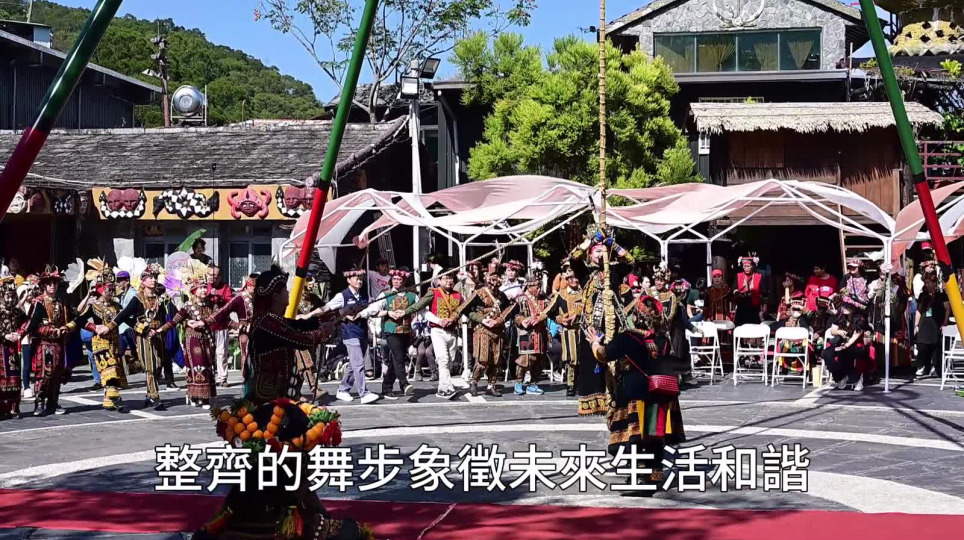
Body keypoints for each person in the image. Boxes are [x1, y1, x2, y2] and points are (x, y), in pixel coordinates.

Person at [191, 265, 372, 540]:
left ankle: (284, 513)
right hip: (269, 408)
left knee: (275, 464)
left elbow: (302, 324)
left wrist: (338, 314)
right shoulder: (267, 323)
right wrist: (326, 329)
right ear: (275, 295)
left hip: (274, 405)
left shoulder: (271, 320)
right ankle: (295, 519)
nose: (289, 296)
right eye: (285, 291)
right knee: (281, 462)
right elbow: (304, 337)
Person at [589, 295, 686, 494]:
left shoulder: (628, 337)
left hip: (635, 393)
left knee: (634, 440)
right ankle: (654, 477)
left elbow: (604, 354)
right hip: (659, 394)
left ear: (636, 316)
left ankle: (638, 479)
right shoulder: (663, 339)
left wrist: (594, 343)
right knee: (655, 439)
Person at [570, 229, 634, 416]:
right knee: (591, 362)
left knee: (614, 361)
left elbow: (630, 261)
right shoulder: (585, 273)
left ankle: (615, 398)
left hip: (613, 325)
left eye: (602, 251)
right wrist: (591, 241)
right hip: (592, 327)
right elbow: (573, 258)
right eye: (596, 251)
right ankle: (594, 402)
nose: (600, 254)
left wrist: (613, 245)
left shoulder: (614, 271)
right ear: (590, 254)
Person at [99, 265, 169, 411]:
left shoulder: (160, 298)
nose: (153, 280)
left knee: (158, 365)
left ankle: (149, 394)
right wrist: (111, 327)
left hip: (159, 335)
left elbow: (164, 317)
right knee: (150, 367)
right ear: (143, 281)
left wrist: (163, 330)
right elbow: (123, 315)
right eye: (150, 278)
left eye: (155, 277)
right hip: (145, 337)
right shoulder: (138, 299)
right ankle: (154, 397)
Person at [23, 266, 78, 416]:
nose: (52, 286)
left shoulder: (62, 302)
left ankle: (53, 402)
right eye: (49, 283)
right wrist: (51, 331)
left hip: (59, 344)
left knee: (57, 374)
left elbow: (74, 317)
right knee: (44, 374)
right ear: (44, 286)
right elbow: (32, 325)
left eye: (54, 283)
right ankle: (40, 402)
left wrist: (67, 328)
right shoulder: (39, 302)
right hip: (44, 344)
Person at [75, 259, 129, 413]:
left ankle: (108, 401)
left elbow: (125, 319)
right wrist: (94, 327)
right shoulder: (94, 306)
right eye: (108, 289)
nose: (111, 292)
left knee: (114, 371)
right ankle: (114, 398)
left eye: (112, 289)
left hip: (115, 341)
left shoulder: (117, 306)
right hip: (100, 343)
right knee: (110, 369)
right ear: (101, 289)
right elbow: (79, 319)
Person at [322, 266, 379, 404]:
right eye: (356, 278)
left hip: (362, 332)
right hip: (349, 333)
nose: (359, 281)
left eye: (361, 279)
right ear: (349, 280)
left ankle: (343, 389)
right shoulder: (342, 296)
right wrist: (343, 314)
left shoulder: (365, 295)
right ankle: (364, 393)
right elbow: (329, 308)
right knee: (358, 363)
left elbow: (374, 308)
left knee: (354, 364)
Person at [404, 269, 463, 399]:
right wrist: (404, 312)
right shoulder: (433, 292)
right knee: (443, 360)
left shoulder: (458, 295)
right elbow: (419, 306)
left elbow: (464, 309)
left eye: (451, 278)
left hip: (452, 332)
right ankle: (446, 388)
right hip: (437, 331)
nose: (449, 281)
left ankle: (442, 388)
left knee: (450, 362)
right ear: (439, 280)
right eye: (446, 278)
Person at [158, 283, 218, 409]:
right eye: (200, 288)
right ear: (194, 291)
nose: (203, 290)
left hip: (207, 339)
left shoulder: (211, 305)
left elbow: (219, 317)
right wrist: (161, 329)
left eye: (204, 287)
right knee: (197, 366)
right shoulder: (188, 306)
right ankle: (196, 396)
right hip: (193, 339)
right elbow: (175, 320)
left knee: (208, 365)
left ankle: (203, 396)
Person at [361, 267, 417, 399]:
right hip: (391, 331)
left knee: (396, 360)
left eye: (399, 279)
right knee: (399, 357)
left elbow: (421, 310)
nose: (396, 281)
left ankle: (386, 387)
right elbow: (374, 309)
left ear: (404, 281)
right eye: (394, 279)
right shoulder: (386, 295)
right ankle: (404, 384)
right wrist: (363, 313)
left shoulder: (412, 296)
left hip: (406, 331)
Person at [460, 264, 511, 397]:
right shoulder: (478, 293)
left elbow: (508, 310)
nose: (494, 285)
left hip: (498, 331)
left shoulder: (502, 296)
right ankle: (474, 382)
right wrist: (481, 320)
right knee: (483, 360)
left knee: (496, 361)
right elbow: (465, 309)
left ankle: (491, 385)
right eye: (492, 281)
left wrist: (499, 320)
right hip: (482, 330)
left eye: (497, 280)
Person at [201, 274, 256, 391]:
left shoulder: (260, 298)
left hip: (257, 330)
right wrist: (205, 321)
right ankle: (246, 382)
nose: (255, 289)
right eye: (253, 287)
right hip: (243, 331)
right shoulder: (240, 298)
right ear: (248, 286)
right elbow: (224, 310)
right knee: (245, 355)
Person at [543, 266, 585, 397]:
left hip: (583, 330)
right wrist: (561, 320)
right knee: (572, 358)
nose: (574, 280)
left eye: (576, 278)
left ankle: (581, 383)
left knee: (583, 357)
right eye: (571, 278)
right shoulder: (561, 295)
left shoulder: (584, 293)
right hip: (569, 331)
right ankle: (570, 384)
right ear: (567, 279)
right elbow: (550, 312)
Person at [509, 274, 549, 395]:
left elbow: (550, 311)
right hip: (526, 333)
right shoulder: (521, 299)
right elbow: (514, 315)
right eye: (536, 286)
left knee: (538, 359)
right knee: (525, 360)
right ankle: (519, 382)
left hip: (540, 333)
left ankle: (533, 383)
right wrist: (522, 320)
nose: (538, 289)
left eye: (539, 286)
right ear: (529, 287)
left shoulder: (544, 299)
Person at [821, 296, 871, 391]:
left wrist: (846, 346)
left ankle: (856, 378)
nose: (844, 309)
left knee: (845, 353)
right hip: (841, 344)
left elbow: (855, 336)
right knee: (826, 353)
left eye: (848, 307)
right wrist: (839, 332)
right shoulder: (840, 316)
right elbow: (832, 331)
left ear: (853, 308)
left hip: (856, 346)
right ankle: (840, 377)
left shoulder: (860, 319)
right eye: (844, 306)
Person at [199, 265, 233, 387]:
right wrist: (208, 295)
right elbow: (196, 298)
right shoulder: (203, 286)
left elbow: (230, 303)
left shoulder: (225, 287)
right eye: (209, 275)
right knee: (206, 352)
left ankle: (222, 378)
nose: (211, 277)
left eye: (214, 275)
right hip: (206, 325)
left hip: (221, 324)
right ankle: (208, 376)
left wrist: (218, 297)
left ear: (219, 277)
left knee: (221, 352)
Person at [914, 270, 949, 379]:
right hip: (924, 322)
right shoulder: (923, 295)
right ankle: (921, 365)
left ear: (934, 283)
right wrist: (916, 325)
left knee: (935, 345)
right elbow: (919, 310)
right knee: (922, 345)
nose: (927, 284)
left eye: (928, 282)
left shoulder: (941, 295)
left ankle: (935, 366)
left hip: (936, 322)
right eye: (925, 282)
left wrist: (945, 322)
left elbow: (947, 308)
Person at [0, 277, 24, 420]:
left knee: (14, 378)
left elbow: (26, 323)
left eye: (12, 296)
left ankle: (14, 408)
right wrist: (4, 335)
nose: (9, 300)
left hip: (12, 349)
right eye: (7, 296)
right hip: (1, 348)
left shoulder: (17, 311)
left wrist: (19, 333)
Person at [114, 270, 141, 378]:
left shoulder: (133, 294)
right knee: (120, 352)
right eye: (117, 280)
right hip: (123, 327)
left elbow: (131, 310)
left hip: (129, 327)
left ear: (127, 281)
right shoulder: (123, 294)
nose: (118, 283)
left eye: (120, 280)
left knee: (134, 352)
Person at [775, 295, 810, 374]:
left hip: (800, 344)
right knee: (781, 344)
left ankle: (804, 369)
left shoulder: (804, 319)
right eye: (794, 309)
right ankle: (782, 367)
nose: (795, 311)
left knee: (806, 346)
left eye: (798, 309)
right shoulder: (786, 320)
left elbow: (808, 313)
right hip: (787, 344)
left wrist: (800, 307)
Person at [733, 254, 762, 326]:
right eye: (745, 266)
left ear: (752, 266)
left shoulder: (758, 276)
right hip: (742, 304)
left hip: (754, 305)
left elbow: (763, 291)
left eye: (748, 266)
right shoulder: (739, 276)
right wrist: (736, 291)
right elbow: (734, 287)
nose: (746, 268)